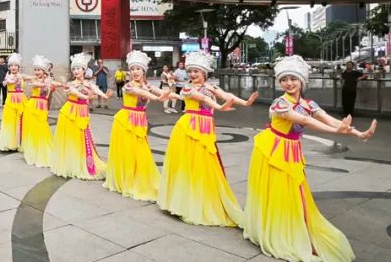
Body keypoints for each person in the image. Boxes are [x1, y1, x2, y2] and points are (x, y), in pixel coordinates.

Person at [242, 55, 376, 262]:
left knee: (293, 192)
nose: (289, 83)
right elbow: (306, 121)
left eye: (293, 79)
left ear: (302, 81)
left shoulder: (308, 103)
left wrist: (357, 133)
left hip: (292, 150)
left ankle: (288, 227)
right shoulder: (280, 103)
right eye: (284, 79)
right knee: (278, 190)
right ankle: (274, 229)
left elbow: (328, 119)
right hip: (273, 149)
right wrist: (336, 130)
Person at [158, 51, 252, 227]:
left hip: (205, 128)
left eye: (197, 72)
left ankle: (204, 198)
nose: (193, 74)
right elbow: (202, 99)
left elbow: (227, 96)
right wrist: (219, 106)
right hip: (189, 127)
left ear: (205, 74)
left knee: (205, 165)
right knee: (190, 164)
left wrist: (244, 103)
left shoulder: (211, 87)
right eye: (191, 71)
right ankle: (186, 201)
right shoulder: (188, 88)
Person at [103, 51, 168, 201]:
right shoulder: (128, 86)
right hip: (126, 121)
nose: (135, 72)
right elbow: (146, 93)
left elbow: (159, 91)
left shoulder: (146, 84)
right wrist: (158, 97)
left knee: (140, 150)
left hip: (140, 121)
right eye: (132, 69)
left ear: (144, 71)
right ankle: (127, 179)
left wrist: (174, 94)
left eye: (138, 69)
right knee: (129, 150)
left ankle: (138, 177)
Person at [50, 53, 108, 180]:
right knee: (71, 137)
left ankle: (82, 161)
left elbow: (97, 90)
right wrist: (87, 97)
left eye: (78, 68)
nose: (76, 71)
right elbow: (75, 92)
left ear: (84, 70)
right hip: (69, 112)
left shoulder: (89, 83)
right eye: (74, 69)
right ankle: (70, 163)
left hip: (82, 111)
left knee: (82, 136)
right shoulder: (71, 84)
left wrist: (104, 96)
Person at [21, 56, 56, 167]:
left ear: (44, 71)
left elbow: (51, 86)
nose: (36, 72)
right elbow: (22, 76)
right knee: (31, 127)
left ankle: (43, 151)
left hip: (41, 106)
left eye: (39, 70)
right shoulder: (34, 79)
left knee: (42, 127)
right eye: (35, 69)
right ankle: (32, 150)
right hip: (31, 105)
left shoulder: (49, 80)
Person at [0, 54, 26, 152]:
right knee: (10, 121)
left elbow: (31, 78)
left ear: (18, 67)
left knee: (20, 121)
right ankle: (10, 143)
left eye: (16, 65)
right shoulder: (8, 76)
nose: (13, 67)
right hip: (11, 100)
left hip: (21, 100)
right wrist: (14, 80)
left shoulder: (21, 76)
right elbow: (8, 82)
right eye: (11, 65)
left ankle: (19, 143)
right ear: (9, 67)